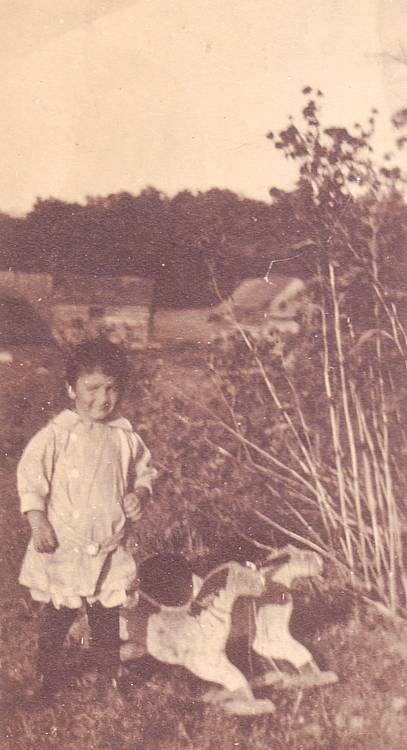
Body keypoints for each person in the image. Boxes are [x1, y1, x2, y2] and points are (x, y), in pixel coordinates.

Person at [17, 337, 156, 698]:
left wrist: (139, 494)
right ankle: (45, 675)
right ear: (70, 389)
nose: (102, 398)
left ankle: (108, 679)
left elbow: (145, 472)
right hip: (65, 544)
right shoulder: (56, 435)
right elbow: (32, 479)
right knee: (59, 612)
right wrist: (37, 520)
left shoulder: (125, 437)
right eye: (92, 388)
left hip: (109, 546)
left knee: (105, 616)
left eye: (111, 388)